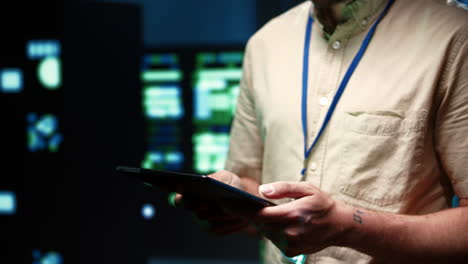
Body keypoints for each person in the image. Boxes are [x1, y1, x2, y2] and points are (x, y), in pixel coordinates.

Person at [176, 0, 468, 263]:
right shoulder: (265, 43)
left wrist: (348, 226)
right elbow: (254, 185)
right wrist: (234, 197)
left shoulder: (452, 35)